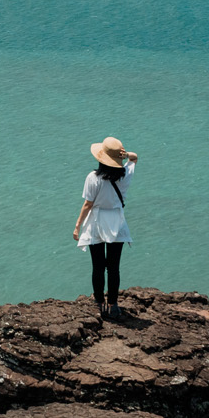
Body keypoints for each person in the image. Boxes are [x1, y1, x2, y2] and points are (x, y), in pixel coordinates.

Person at [73, 137, 138, 320]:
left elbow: (87, 205)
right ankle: (114, 305)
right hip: (117, 222)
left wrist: (77, 227)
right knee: (114, 268)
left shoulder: (93, 178)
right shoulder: (124, 174)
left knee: (98, 267)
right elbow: (134, 158)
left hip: (96, 223)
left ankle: (100, 304)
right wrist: (126, 155)